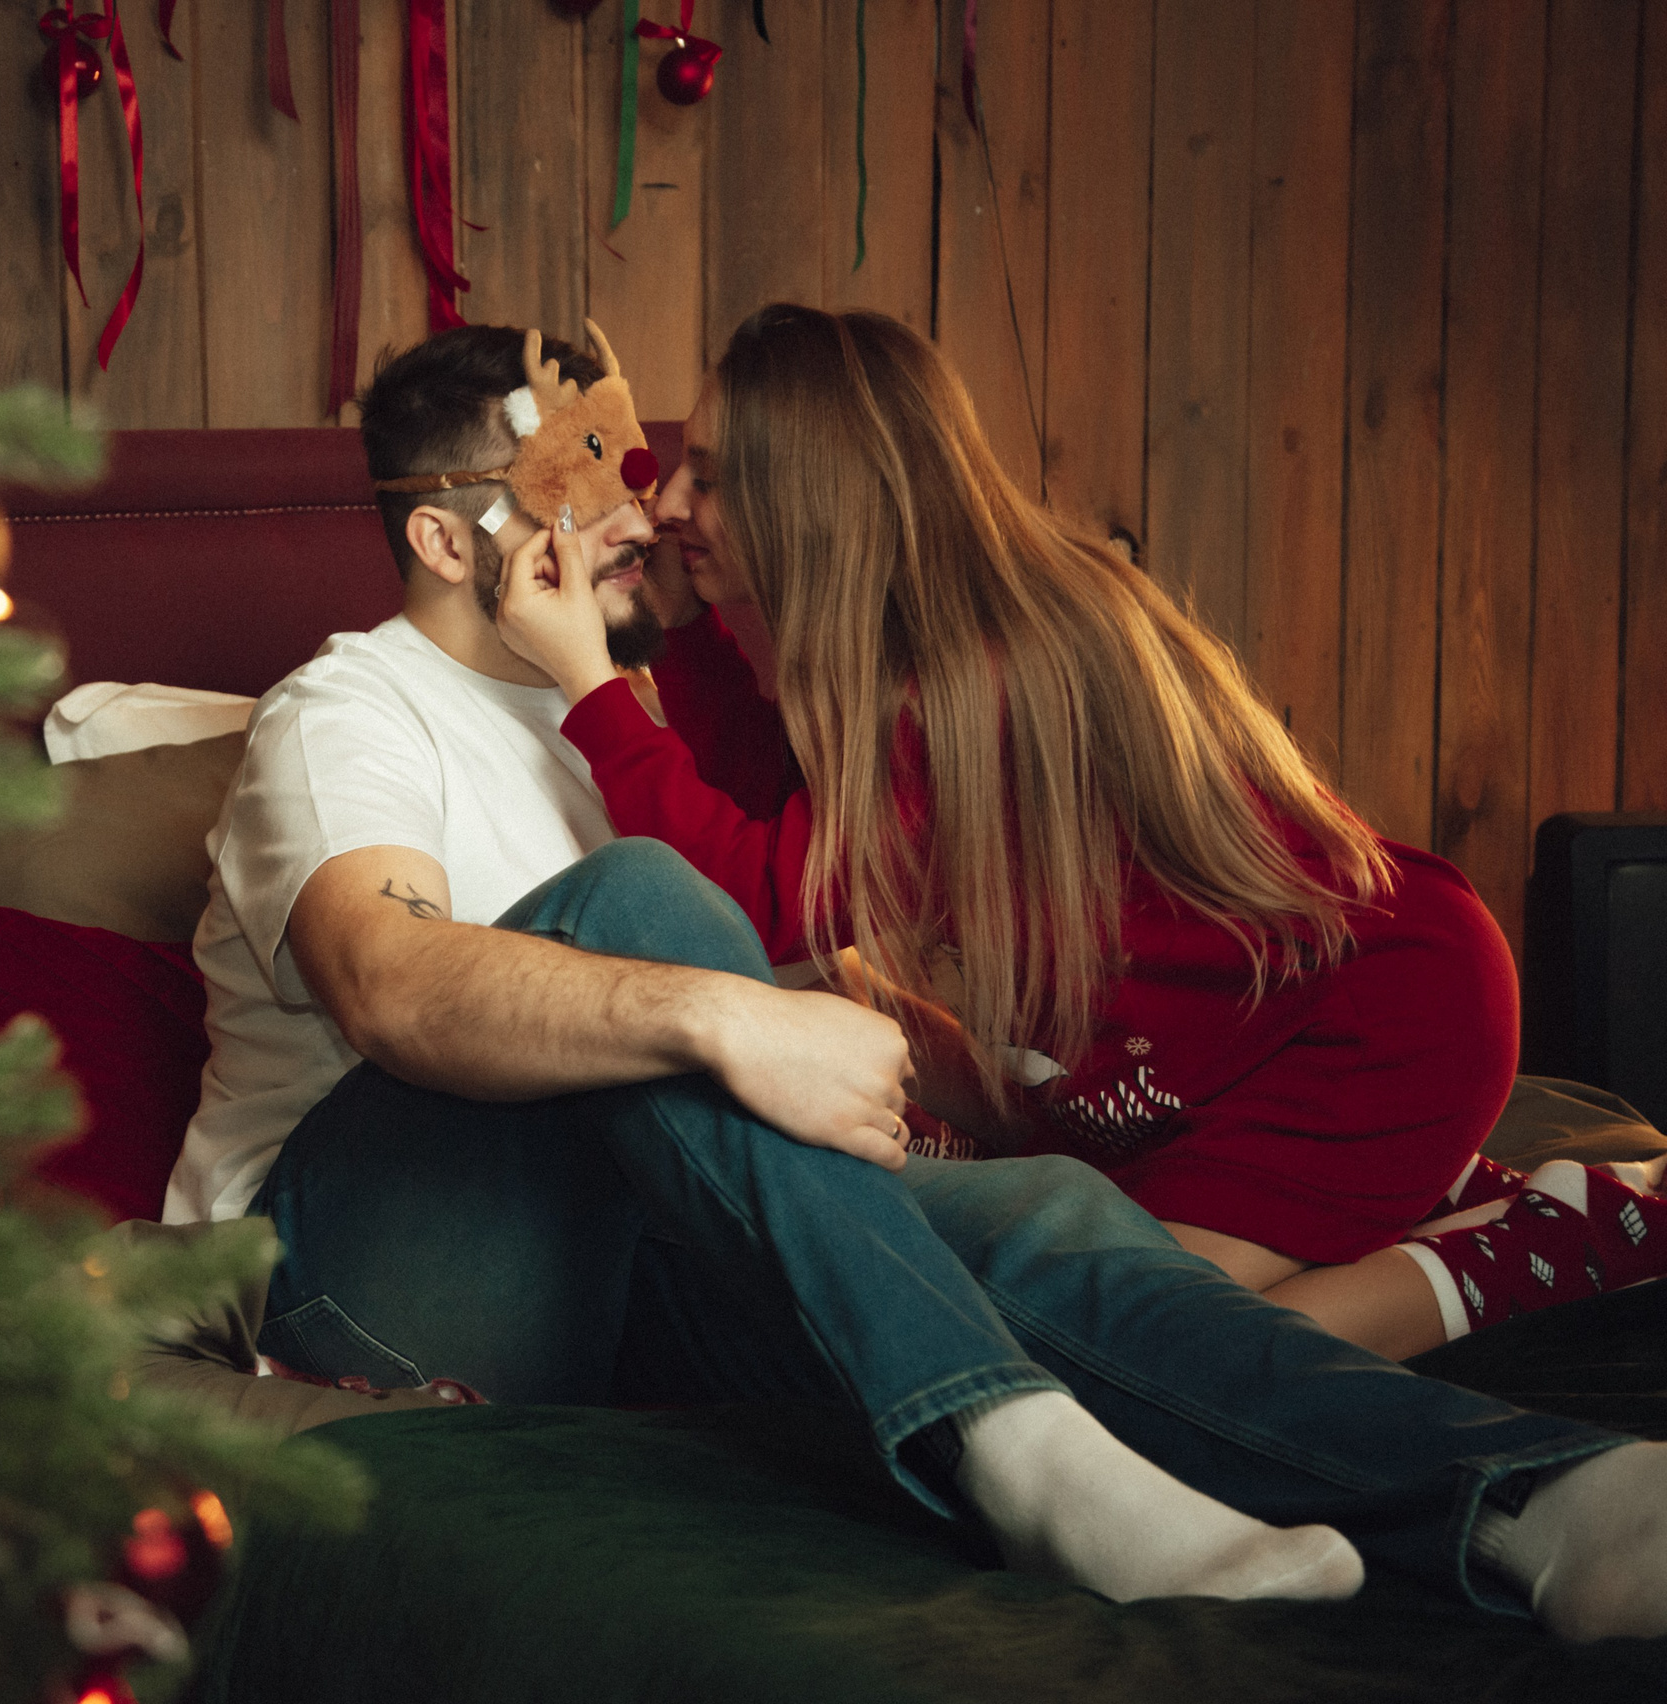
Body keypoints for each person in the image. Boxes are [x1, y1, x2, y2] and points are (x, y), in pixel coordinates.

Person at [163, 321, 1667, 1640]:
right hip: (361, 1275)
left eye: (635, 461)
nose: (638, 505)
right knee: (639, 900)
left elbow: (786, 864)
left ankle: (1538, 1499)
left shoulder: (636, 716)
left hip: (620, 1269)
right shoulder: (348, 707)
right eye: (576, 473)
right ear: (446, 537)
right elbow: (391, 986)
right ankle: (1010, 1442)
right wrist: (722, 1007)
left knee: (1039, 1215)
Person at [496, 303, 1667, 1365]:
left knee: (1166, 1343)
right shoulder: (857, 650)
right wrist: (633, 524)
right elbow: (741, 796)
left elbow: (759, 893)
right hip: (1192, 1051)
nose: (667, 505)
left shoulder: (967, 679)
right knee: (1086, 1258)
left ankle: (1577, 1233)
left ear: (809, 497)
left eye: (706, 474)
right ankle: (1425, 1188)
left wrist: (589, 683)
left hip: (1377, 1013)